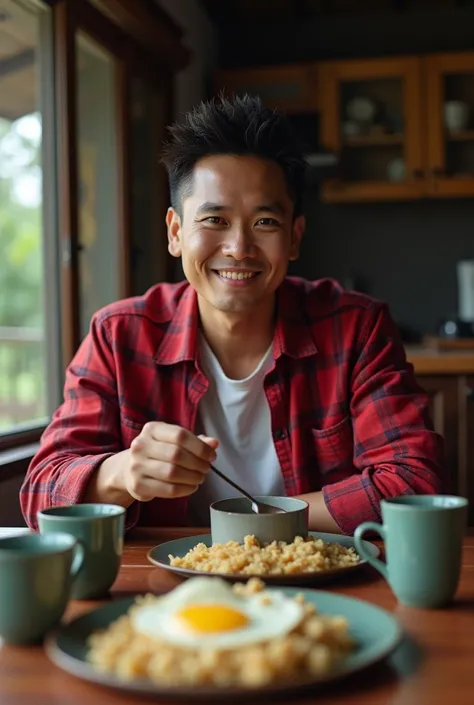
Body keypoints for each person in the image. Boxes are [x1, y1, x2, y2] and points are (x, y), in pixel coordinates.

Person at [20, 95, 447, 534]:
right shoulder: (118, 335)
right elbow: (40, 496)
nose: (239, 248)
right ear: (175, 232)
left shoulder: (356, 328)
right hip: (167, 589)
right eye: (214, 220)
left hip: (318, 582)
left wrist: (248, 524)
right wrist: (122, 473)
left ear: (294, 237)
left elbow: (415, 485)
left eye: (264, 222)